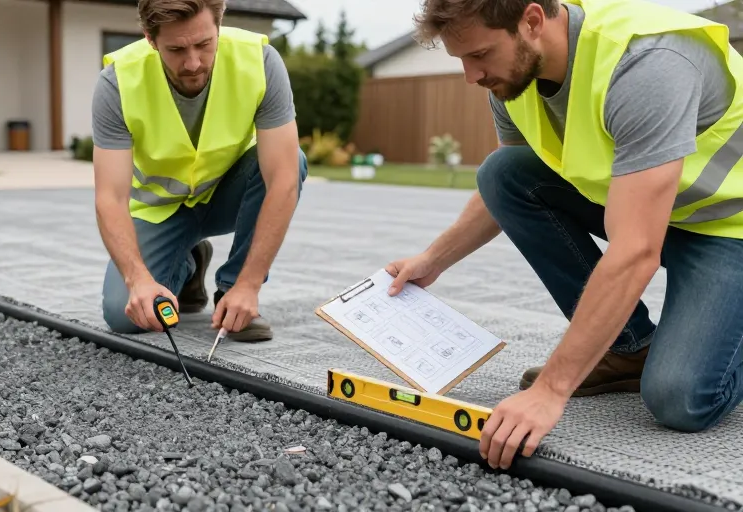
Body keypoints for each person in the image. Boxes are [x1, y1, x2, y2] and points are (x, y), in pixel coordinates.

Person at [386, 0, 743, 471]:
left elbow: (636, 249)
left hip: (729, 228)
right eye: (461, 60)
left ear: (532, 21)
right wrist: (433, 259)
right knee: (504, 172)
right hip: (660, 213)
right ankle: (630, 348)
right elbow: (509, 184)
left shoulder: (646, 63)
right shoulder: (515, 78)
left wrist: (551, 390)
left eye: (479, 55)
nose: (471, 76)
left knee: (682, 399)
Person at [91, 0, 306, 342]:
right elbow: (109, 197)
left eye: (204, 44)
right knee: (125, 315)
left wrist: (248, 285)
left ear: (218, 26)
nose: (193, 63)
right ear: (151, 38)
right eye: (176, 49)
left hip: (225, 197)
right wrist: (138, 281)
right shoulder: (118, 82)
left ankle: (231, 292)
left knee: (292, 159)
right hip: (161, 211)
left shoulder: (260, 62)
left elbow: (283, 180)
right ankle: (188, 263)